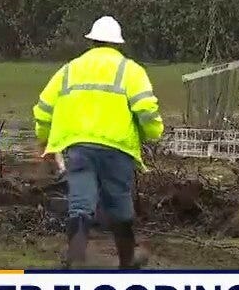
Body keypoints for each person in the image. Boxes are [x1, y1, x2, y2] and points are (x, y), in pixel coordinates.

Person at [32, 16, 165, 268]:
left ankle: (77, 259)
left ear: (92, 41)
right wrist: (153, 132)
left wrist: (45, 139)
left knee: (80, 203)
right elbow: (146, 109)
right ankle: (127, 260)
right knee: (119, 204)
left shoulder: (69, 69)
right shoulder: (130, 70)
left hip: (79, 147)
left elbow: (43, 108)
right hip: (117, 148)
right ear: (117, 44)